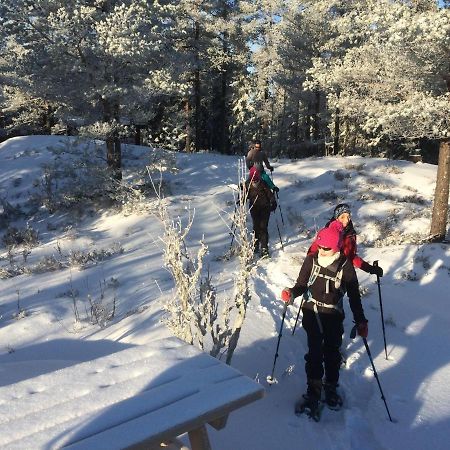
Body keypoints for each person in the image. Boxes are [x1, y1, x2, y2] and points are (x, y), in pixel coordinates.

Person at [281, 220, 368, 421]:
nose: (322, 250)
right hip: (312, 314)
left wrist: (361, 321)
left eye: (326, 248)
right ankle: (313, 392)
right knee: (313, 354)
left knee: (331, 354)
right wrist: (291, 293)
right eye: (319, 246)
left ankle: (330, 388)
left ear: (336, 246)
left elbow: (354, 296)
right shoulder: (311, 260)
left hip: (333, 316)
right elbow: (301, 285)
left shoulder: (345, 265)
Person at [308, 203, 383, 277]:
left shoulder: (351, 234)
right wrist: (308, 269)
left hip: (344, 272)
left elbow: (352, 256)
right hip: (325, 272)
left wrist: (369, 268)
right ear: (336, 218)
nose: (346, 220)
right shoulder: (327, 232)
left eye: (348, 216)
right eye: (342, 217)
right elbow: (312, 251)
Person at [245, 168, 277, 257]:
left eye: (256, 179)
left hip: (265, 208)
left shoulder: (263, 184)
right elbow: (245, 196)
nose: (255, 181)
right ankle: (255, 245)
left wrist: (273, 202)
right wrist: (241, 198)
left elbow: (270, 194)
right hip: (254, 208)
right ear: (250, 177)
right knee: (256, 226)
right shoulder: (247, 185)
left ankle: (264, 248)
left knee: (263, 227)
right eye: (253, 179)